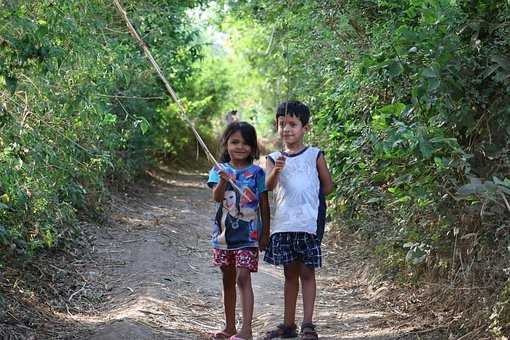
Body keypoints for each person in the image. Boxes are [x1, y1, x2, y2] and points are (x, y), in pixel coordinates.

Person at [263, 101, 334, 340]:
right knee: (290, 275)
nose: (287, 129)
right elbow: (268, 186)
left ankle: (308, 324)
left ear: (305, 127)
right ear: (277, 126)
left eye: (293, 124)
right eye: (282, 124)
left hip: (308, 225)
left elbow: (328, 186)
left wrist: (311, 201)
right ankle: (289, 324)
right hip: (284, 226)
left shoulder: (315, 155)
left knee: (307, 273)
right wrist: (277, 170)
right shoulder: (273, 158)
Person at [207, 121, 270, 340]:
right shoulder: (219, 170)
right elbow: (216, 197)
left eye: (245, 143)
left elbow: (264, 204)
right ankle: (230, 326)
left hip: (249, 235)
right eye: (234, 142)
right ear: (226, 144)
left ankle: (247, 330)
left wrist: (265, 232)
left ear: (253, 148)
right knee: (228, 278)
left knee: (244, 277)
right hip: (224, 236)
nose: (240, 147)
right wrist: (224, 181)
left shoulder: (257, 173)